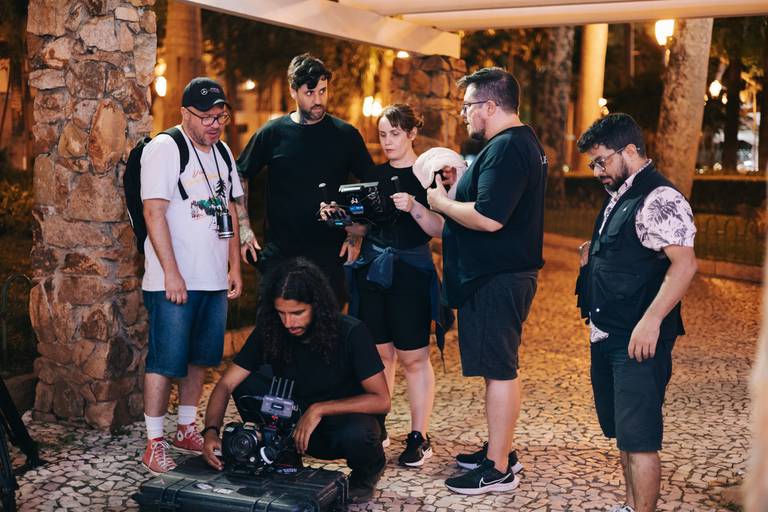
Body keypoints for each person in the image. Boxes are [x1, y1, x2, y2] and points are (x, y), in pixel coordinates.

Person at [426, 67, 547, 495]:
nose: (463, 114)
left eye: (468, 106)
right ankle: (499, 450)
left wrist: (441, 203)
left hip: (498, 278)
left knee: (500, 371)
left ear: (490, 106)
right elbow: (490, 200)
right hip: (497, 276)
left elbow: (490, 218)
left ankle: (497, 469)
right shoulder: (515, 143)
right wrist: (460, 188)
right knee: (499, 368)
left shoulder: (508, 147)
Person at [575, 113, 697, 512]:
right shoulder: (621, 193)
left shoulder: (660, 197)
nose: (597, 171)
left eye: (602, 161)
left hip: (638, 339)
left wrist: (651, 321)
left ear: (629, 150)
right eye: (593, 164)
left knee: (640, 440)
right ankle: (629, 507)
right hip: (610, 333)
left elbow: (684, 266)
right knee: (625, 437)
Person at [201, 258, 390, 503]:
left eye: (297, 313)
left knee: (362, 432)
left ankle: (367, 474)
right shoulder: (272, 328)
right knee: (246, 385)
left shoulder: (351, 332)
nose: (288, 323)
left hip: (339, 427)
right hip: (292, 424)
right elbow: (226, 384)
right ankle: (283, 456)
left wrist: (319, 409)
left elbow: (382, 400)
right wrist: (211, 432)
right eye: (282, 313)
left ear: (317, 306)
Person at [140, 77, 243, 474]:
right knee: (165, 360)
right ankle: (154, 442)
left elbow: (229, 209)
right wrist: (171, 273)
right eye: (206, 117)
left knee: (200, 358)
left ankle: (186, 428)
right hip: (174, 280)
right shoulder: (166, 148)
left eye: (220, 116)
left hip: (212, 279)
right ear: (185, 113)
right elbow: (153, 212)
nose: (214, 125)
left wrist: (234, 266)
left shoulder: (223, 152)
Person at [344, 104, 451, 468]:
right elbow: (363, 226)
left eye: (394, 133)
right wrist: (344, 222)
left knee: (413, 357)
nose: (387, 141)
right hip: (374, 271)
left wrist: (414, 207)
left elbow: (442, 229)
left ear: (411, 134)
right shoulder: (373, 175)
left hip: (411, 273)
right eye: (382, 135)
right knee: (379, 355)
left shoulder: (428, 176)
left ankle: (419, 436)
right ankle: (378, 426)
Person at [234, 53, 373, 301]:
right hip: (280, 256)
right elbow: (239, 174)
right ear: (293, 91)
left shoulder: (346, 135)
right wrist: (244, 229)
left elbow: (370, 183)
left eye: (323, 91)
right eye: (310, 93)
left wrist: (355, 233)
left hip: (330, 256)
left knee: (327, 324)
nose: (318, 100)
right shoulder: (272, 133)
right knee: (274, 323)